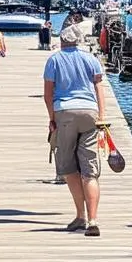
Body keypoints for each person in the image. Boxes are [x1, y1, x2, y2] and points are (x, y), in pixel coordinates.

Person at [43, 22, 105, 236]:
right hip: (89, 112)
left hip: (65, 113)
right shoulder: (91, 59)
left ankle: (81, 216)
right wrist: (102, 116)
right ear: (78, 40)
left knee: (69, 168)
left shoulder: (54, 60)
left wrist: (52, 119)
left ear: (61, 41)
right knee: (90, 171)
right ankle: (94, 219)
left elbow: (48, 94)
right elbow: (98, 87)